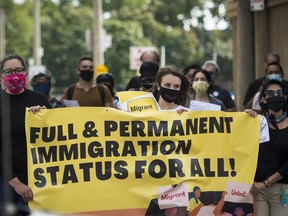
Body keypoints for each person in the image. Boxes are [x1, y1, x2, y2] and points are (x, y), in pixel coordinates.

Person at [0, 54, 51, 215]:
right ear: (1, 75)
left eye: (19, 70)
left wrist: (43, 117)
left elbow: (55, 136)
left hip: (39, 178)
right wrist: (17, 184)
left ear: (26, 73)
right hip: (6, 182)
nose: (14, 75)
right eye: (9, 72)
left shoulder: (39, 99)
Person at [248, 79, 288, 215]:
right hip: (257, 190)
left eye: (280, 93)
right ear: (263, 99)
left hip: (282, 190)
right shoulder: (256, 123)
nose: (276, 96)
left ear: (285, 97)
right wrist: (245, 120)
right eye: (270, 94)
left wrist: (265, 182)